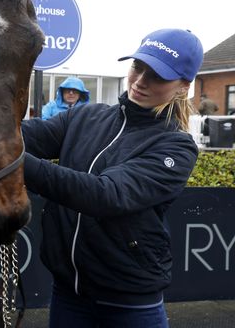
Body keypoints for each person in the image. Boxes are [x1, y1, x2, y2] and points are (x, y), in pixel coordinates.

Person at [22, 28, 204, 328]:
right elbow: (18, 137)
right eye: (138, 67)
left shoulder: (178, 146)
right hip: (68, 292)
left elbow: (105, 195)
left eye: (156, 75)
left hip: (130, 304)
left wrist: (14, 162)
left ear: (183, 87)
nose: (140, 81)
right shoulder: (85, 116)